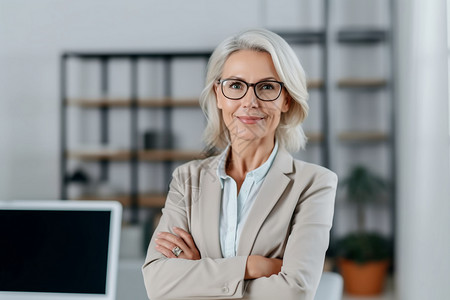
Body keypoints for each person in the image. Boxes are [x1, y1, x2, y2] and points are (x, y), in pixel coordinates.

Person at [142, 28, 337, 300]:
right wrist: (252, 266)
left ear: (286, 100)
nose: (250, 102)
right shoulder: (187, 179)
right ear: (218, 95)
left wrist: (199, 274)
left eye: (267, 87)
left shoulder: (314, 184)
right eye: (235, 85)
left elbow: (295, 292)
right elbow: (157, 283)